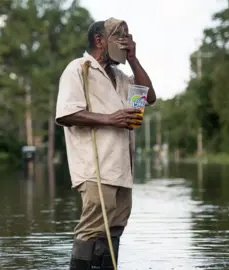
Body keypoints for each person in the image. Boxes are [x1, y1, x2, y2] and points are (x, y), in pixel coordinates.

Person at [55, 17, 156, 269]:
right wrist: (109, 119)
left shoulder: (122, 77)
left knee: (115, 228)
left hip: (123, 168)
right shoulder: (79, 68)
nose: (124, 42)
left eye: (127, 37)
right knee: (91, 229)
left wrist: (133, 58)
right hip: (94, 168)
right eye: (118, 37)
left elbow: (148, 98)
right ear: (100, 40)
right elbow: (66, 114)